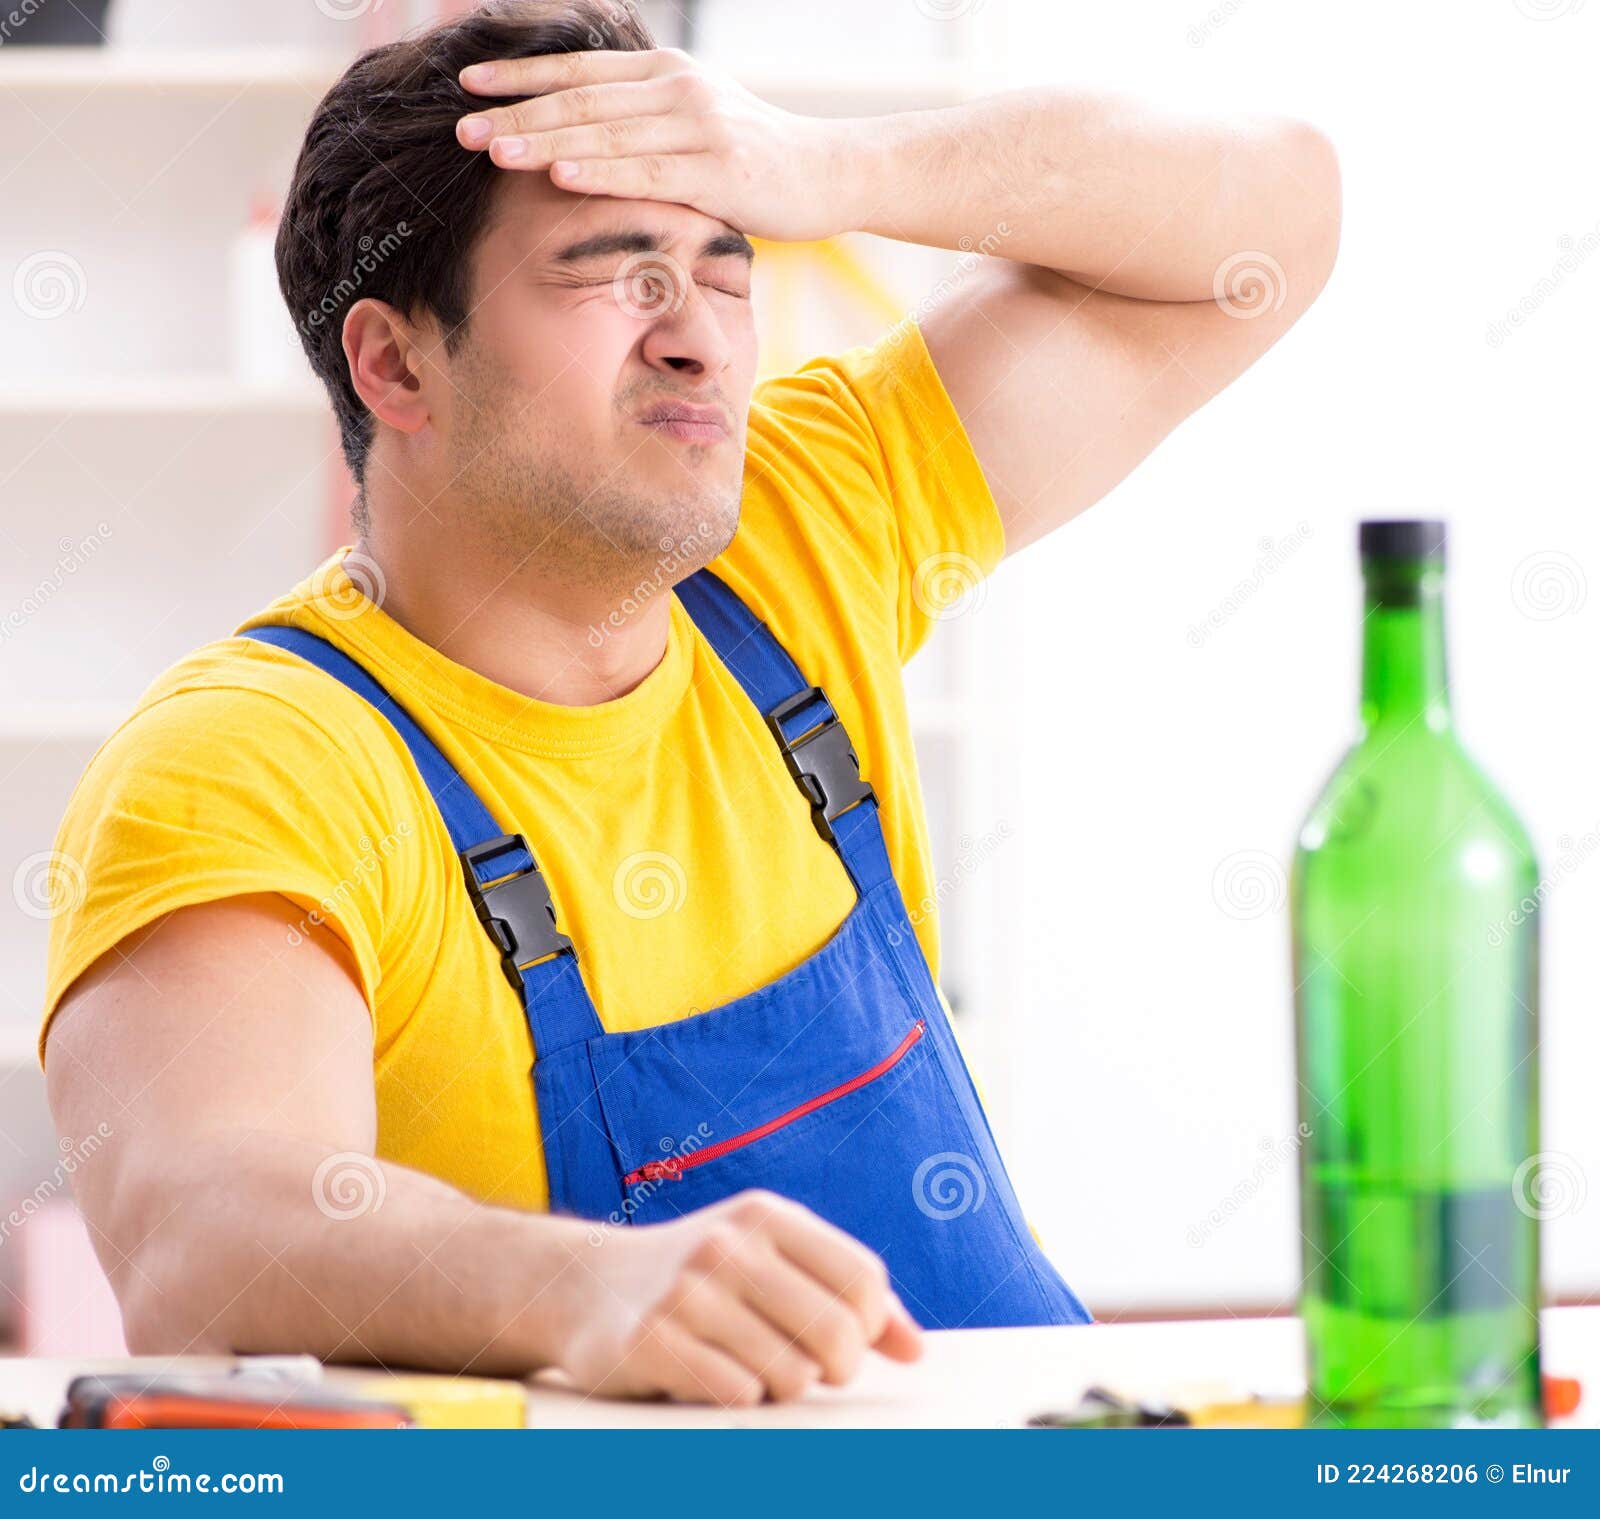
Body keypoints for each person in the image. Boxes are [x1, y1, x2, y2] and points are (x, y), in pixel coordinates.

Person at [42, 0, 1340, 1405]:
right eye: (615, 277)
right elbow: (210, 1233)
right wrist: (585, 1286)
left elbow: (1276, 220)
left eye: (724, 272)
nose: (699, 343)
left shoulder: (804, 529)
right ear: (395, 362)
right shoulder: (257, 759)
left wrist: (823, 170)